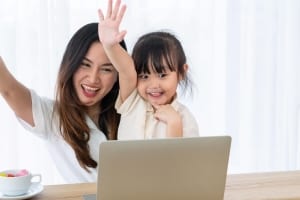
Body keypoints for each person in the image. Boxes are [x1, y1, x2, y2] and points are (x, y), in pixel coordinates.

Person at [0, 22, 127, 183]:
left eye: (106, 69)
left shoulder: (130, 112)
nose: (93, 78)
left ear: (118, 75)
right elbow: (9, 89)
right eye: (85, 65)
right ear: (71, 64)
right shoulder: (52, 117)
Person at [98, 0, 199, 139]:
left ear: (181, 72)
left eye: (162, 75)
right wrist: (110, 46)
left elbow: (180, 160)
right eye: (144, 76)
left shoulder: (185, 118)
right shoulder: (132, 101)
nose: (153, 85)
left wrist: (174, 123)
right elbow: (126, 69)